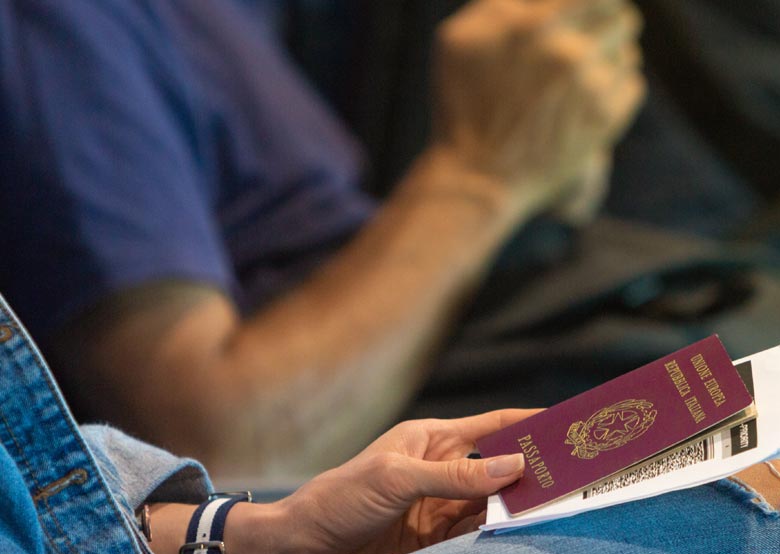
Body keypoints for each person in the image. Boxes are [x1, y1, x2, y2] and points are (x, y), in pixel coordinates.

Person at [0, 0, 645, 477]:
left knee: (727, 401)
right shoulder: (63, 24)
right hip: (374, 432)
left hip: (468, 350)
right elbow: (222, 447)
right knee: (718, 425)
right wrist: (483, 176)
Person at [1, 293, 780, 554]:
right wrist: (484, 175)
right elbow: (227, 411)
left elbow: (37, 497)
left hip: (107, 545)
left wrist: (236, 541)